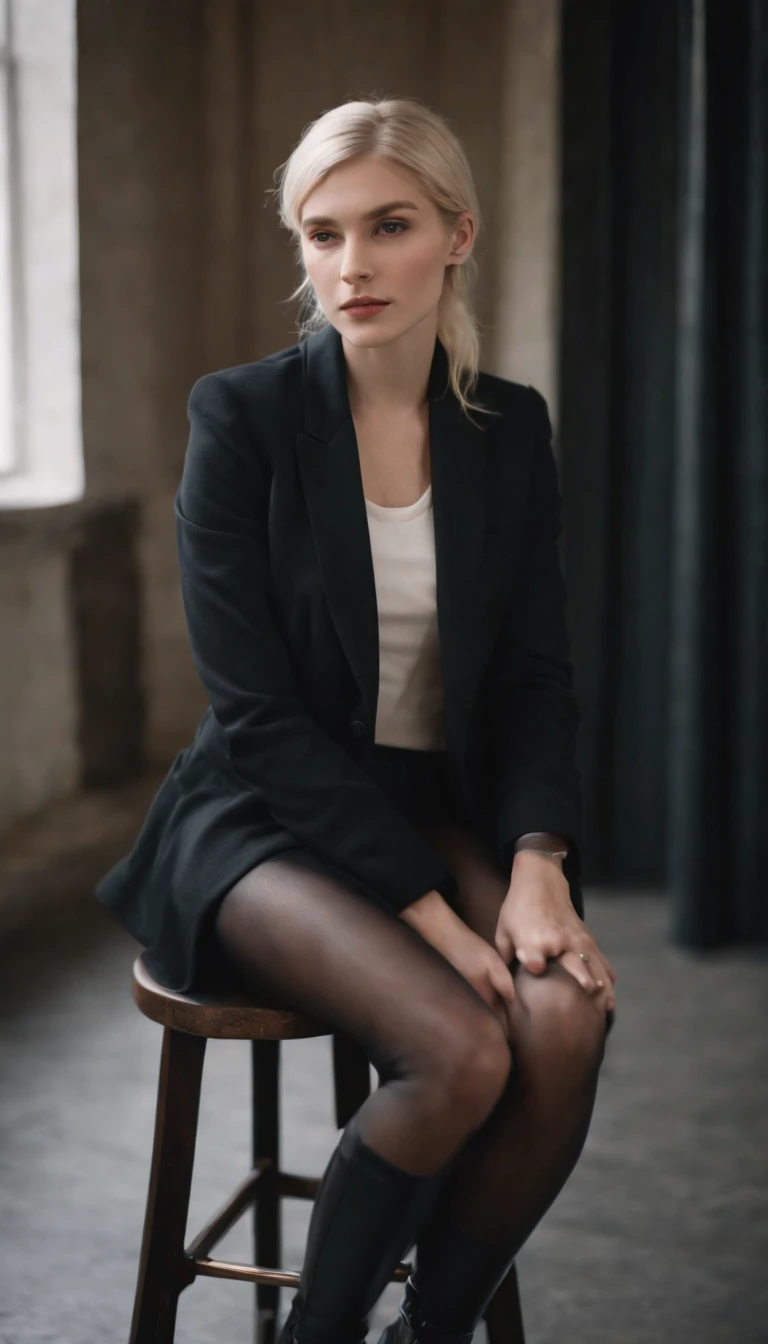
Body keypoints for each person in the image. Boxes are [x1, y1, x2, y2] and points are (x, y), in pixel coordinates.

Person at [95, 95, 617, 1344]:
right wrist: (438, 919)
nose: (352, 266)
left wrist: (539, 867)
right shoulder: (244, 419)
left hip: (434, 802)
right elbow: (261, 717)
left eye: (389, 227)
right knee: (462, 1048)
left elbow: (539, 674)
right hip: (261, 815)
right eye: (322, 235)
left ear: (458, 235)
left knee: (561, 1018)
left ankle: (425, 1332)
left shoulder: (511, 429)